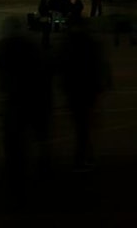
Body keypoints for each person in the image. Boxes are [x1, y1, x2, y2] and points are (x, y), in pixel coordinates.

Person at [0, 16, 52, 196]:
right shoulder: (31, 46)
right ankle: (41, 170)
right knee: (37, 138)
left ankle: (16, 175)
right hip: (33, 99)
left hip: (14, 101)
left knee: (13, 142)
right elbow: (43, 71)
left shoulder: (3, 48)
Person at [57, 23, 110, 171]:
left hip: (75, 91)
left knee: (81, 126)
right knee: (85, 126)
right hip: (88, 91)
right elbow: (101, 66)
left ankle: (83, 156)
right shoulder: (91, 45)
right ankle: (86, 155)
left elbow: (59, 65)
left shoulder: (68, 47)